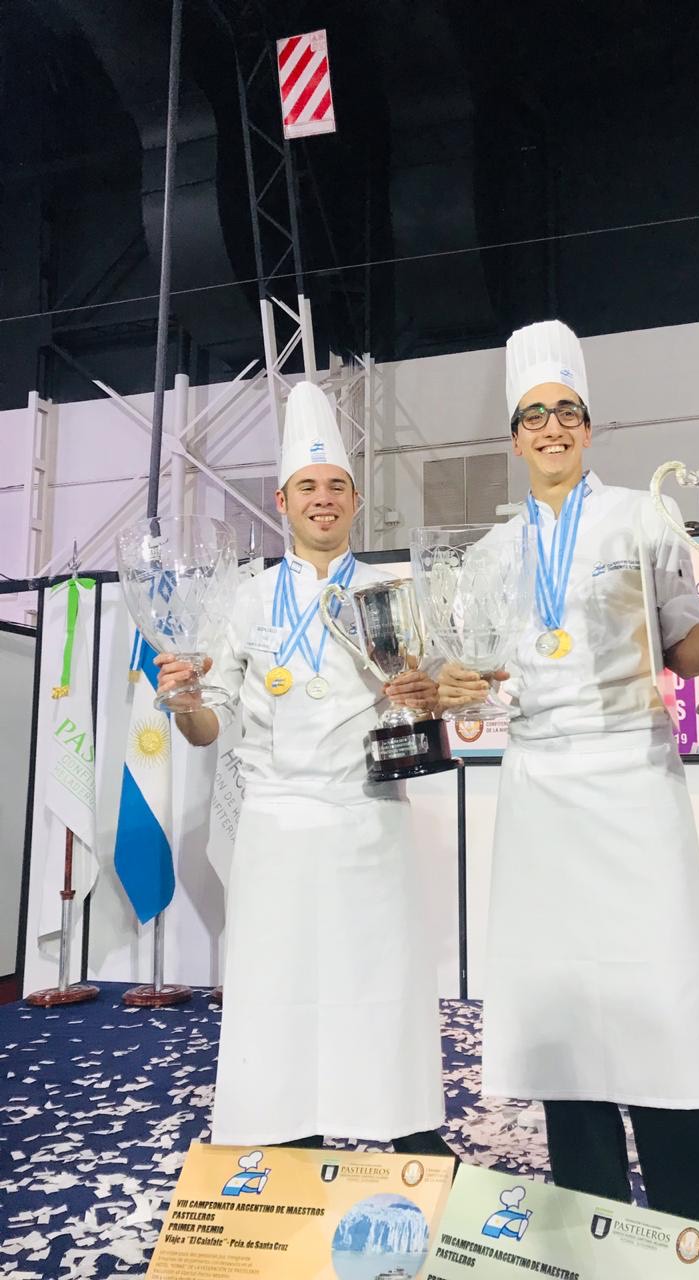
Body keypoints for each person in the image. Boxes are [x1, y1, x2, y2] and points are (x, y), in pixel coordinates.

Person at [438, 320, 699, 1228]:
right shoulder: (488, 556)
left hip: (635, 781)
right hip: (539, 795)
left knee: (663, 1009)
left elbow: (685, 650)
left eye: (567, 411)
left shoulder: (645, 516)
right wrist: (454, 685)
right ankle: (593, 1235)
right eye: (534, 415)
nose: (552, 427)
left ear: (589, 427)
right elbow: (474, 673)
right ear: (515, 439)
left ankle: (698, 1236)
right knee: (569, 1027)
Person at [157, 380, 453, 1158]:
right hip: (277, 825)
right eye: (307, 487)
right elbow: (210, 725)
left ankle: (409, 1135)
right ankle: (286, 1141)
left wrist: (425, 697)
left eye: (336, 487)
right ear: (282, 502)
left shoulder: (393, 594)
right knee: (278, 992)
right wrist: (183, 704)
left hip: (367, 816)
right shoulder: (245, 601)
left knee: (381, 985)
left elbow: (425, 702)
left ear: (355, 501)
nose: (323, 500)